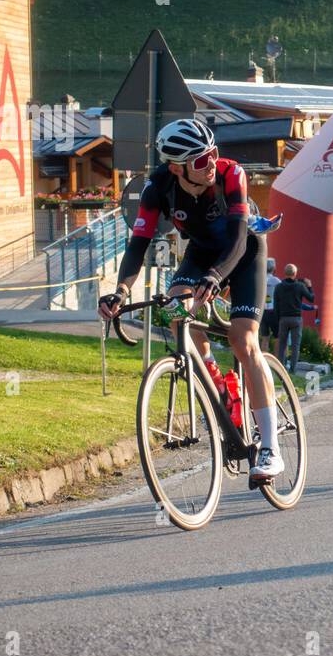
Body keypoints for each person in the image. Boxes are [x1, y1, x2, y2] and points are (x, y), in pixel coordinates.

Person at [97, 118, 285, 479]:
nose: (212, 162)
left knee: (243, 341)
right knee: (175, 309)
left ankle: (269, 450)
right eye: (201, 160)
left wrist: (216, 277)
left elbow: (238, 239)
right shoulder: (157, 189)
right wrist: (121, 291)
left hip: (242, 251)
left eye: (213, 153)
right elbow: (137, 246)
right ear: (176, 167)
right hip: (200, 253)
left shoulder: (232, 175)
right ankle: (217, 382)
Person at [273, 264, 314, 374]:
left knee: (282, 345)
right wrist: (309, 286)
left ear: (285, 273)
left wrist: (278, 320)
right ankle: (293, 370)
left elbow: (275, 305)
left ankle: (281, 370)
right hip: (296, 318)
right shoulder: (300, 286)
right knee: (295, 346)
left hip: (283, 318)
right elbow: (311, 298)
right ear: (295, 274)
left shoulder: (278, 287)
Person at [261, 257, 281, 343]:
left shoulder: (260, 279)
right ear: (273, 268)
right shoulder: (277, 281)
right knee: (277, 337)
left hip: (262, 311)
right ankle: (277, 357)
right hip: (273, 311)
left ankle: (263, 356)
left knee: (265, 338)